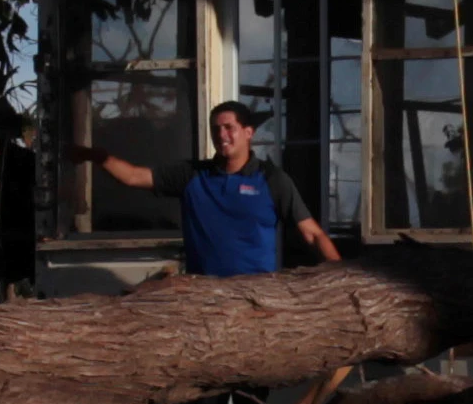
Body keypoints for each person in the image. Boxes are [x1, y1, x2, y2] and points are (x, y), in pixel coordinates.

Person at [80, 98, 337, 276]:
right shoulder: (192, 175)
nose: (222, 135)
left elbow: (313, 234)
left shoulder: (271, 179)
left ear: (248, 133)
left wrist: (342, 276)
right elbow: (135, 177)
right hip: (202, 296)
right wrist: (97, 156)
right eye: (216, 129)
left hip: (256, 298)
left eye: (229, 128)